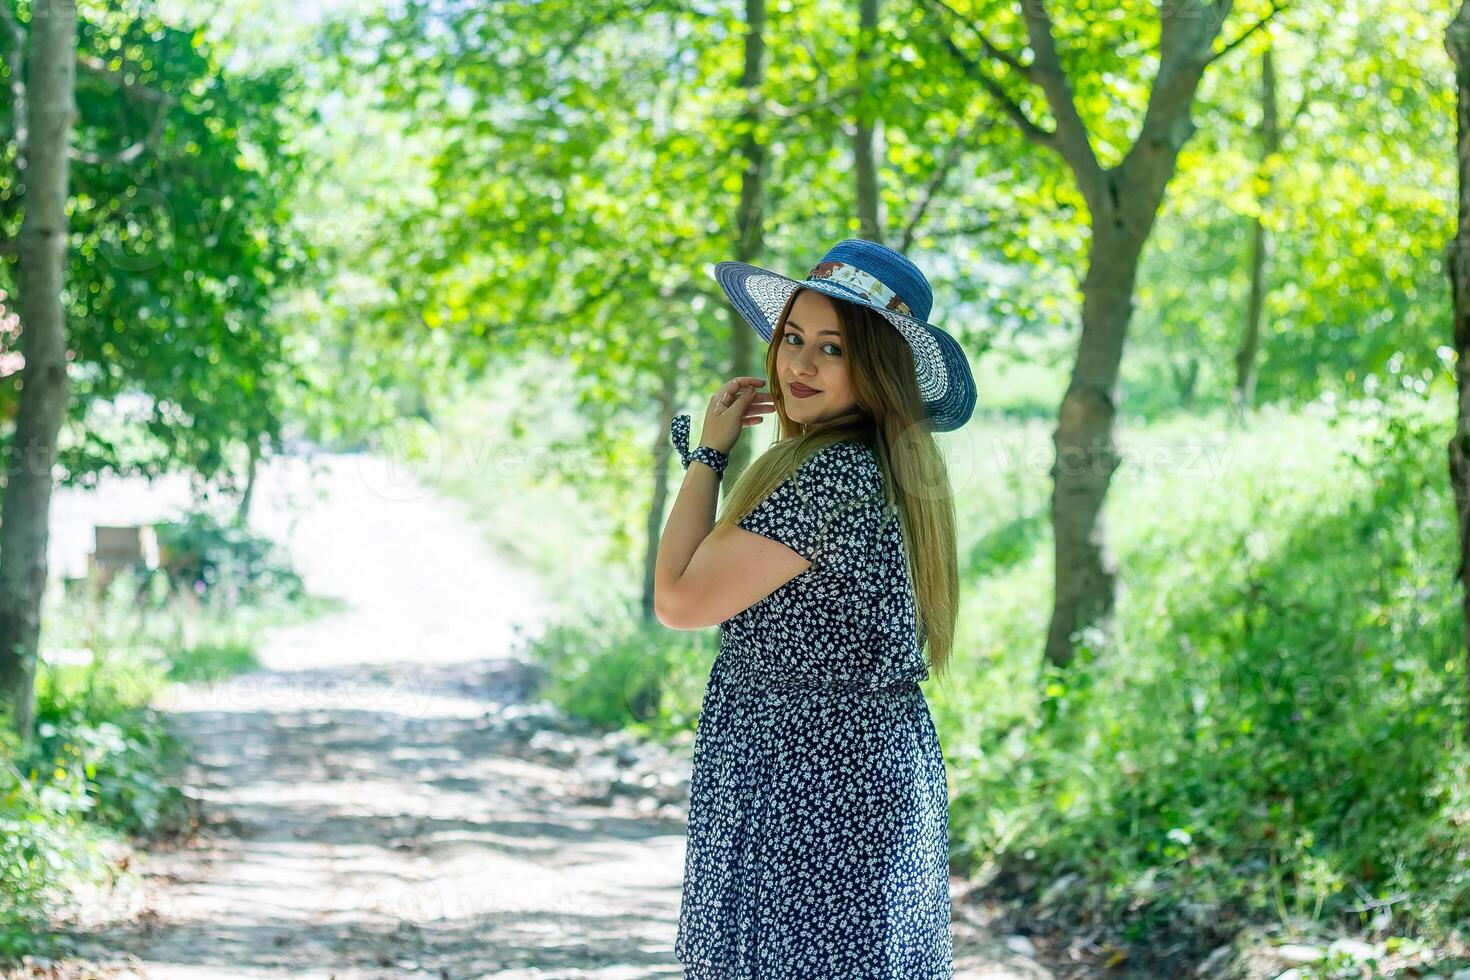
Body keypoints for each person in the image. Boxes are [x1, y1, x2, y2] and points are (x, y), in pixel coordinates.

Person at [653, 238, 976, 979]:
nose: (799, 365)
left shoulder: (823, 479)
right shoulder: (883, 463)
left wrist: (709, 457)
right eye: (793, 337)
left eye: (831, 349)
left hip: (812, 785)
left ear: (876, 368)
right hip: (860, 773)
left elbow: (677, 599)